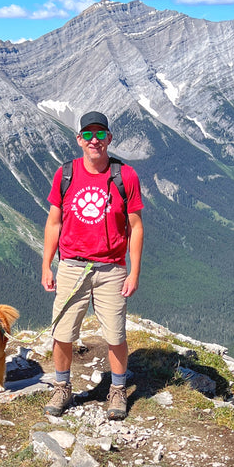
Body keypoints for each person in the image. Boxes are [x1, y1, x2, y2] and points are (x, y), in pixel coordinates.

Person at [41, 111, 144, 420]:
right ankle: (62, 387)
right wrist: (47, 265)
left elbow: (136, 227)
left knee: (115, 335)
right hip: (71, 265)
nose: (94, 140)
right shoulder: (66, 174)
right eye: (88, 134)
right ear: (79, 140)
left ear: (109, 138)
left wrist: (134, 271)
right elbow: (53, 222)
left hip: (111, 268)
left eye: (100, 134)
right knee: (63, 332)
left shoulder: (125, 176)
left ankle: (117, 390)